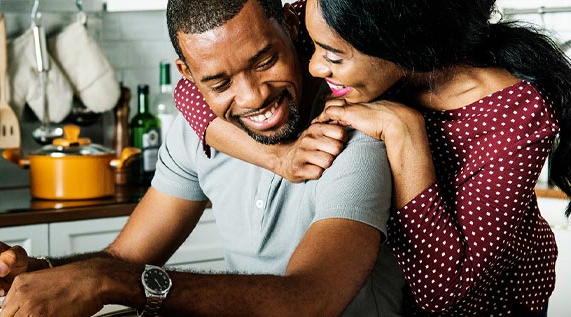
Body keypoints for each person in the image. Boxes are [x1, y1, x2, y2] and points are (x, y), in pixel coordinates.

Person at [0, 0, 407, 316]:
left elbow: (310, 300)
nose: (253, 97)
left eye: (264, 61)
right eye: (220, 82)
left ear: (292, 29)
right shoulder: (196, 135)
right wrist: (33, 272)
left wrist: (110, 280)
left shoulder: (351, 130)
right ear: (189, 77)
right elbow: (123, 257)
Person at [172, 0, 571, 315]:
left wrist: (405, 131)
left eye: (333, 55)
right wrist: (279, 157)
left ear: (398, 45)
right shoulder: (328, 14)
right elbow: (190, 92)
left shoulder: (514, 113)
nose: (313, 63)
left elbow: (444, 293)